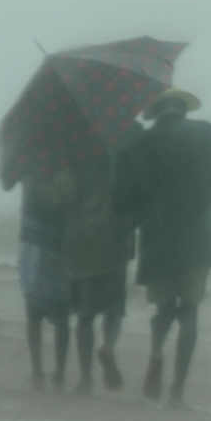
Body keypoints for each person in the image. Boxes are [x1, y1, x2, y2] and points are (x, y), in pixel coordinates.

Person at [112, 88, 211, 407]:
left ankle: (155, 353)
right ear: (183, 110)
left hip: (158, 237)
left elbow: (123, 196)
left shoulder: (141, 143)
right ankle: (177, 391)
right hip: (199, 236)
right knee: (190, 311)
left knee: (164, 307)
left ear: (156, 112)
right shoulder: (208, 135)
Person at [61, 144, 138, 396]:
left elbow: (64, 197)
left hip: (83, 242)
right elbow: (135, 200)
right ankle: (108, 347)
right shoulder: (125, 152)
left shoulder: (76, 151)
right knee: (114, 309)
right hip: (115, 241)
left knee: (85, 315)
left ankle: (85, 379)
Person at [0, 132, 72, 391]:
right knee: (61, 313)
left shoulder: (29, 163)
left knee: (34, 310)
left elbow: (7, 181)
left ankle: (38, 371)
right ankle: (58, 373)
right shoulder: (67, 164)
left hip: (34, 242)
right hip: (57, 244)